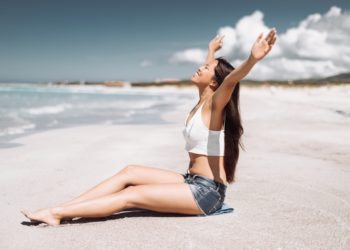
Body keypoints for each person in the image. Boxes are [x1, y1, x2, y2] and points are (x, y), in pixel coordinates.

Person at [21, 28, 277, 226]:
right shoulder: (202, 101)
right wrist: (210, 50)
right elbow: (215, 73)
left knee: (132, 195)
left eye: (207, 68)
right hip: (192, 180)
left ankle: (56, 214)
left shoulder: (214, 105)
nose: (201, 67)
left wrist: (252, 60)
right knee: (130, 172)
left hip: (206, 193)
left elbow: (230, 80)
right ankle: (67, 207)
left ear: (214, 83)